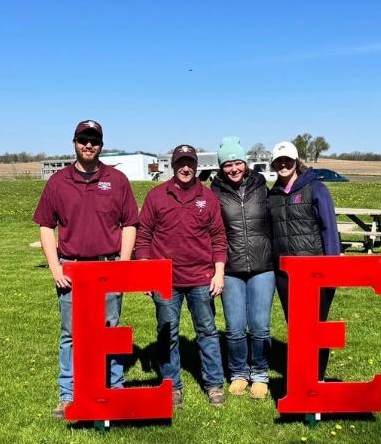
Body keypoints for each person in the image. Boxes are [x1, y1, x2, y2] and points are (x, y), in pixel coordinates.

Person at [33, 119, 139, 418]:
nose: (88, 145)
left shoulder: (116, 180)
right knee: (70, 334)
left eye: (94, 140)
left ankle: (113, 388)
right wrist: (56, 268)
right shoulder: (58, 182)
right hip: (73, 269)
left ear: (101, 145)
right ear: (74, 143)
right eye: (83, 139)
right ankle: (69, 393)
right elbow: (45, 226)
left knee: (110, 330)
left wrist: (124, 263)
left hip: (108, 267)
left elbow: (130, 223)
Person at [136, 144, 228, 407]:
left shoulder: (208, 198)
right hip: (165, 279)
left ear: (196, 167)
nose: (185, 168)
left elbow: (219, 238)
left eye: (190, 163)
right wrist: (145, 271)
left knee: (207, 332)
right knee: (167, 333)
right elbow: (143, 237)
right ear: (173, 166)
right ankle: (172, 386)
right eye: (180, 163)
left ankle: (213, 384)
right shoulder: (156, 196)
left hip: (201, 277)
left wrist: (218, 272)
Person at [267, 140, 341, 379]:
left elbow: (329, 229)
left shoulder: (315, 188)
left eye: (287, 160)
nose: (283, 164)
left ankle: (316, 376)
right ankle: (302, 375)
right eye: (279, 161)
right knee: (297, 329)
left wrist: (332, 269)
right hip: (286, 275)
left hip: (315, 271)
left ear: (296, 161)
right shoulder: (273, 195)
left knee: (316, 328)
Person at [211, 136, 275, 399]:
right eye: (228, 164)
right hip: (232, 267)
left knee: (260, 325)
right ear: (221, 167)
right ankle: (238, 372)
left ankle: (260, 374)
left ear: (245, 163)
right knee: (235, 326)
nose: (234, 168)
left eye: (237, 162)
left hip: (263, 266)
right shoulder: (214, 192)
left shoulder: (262, 187)